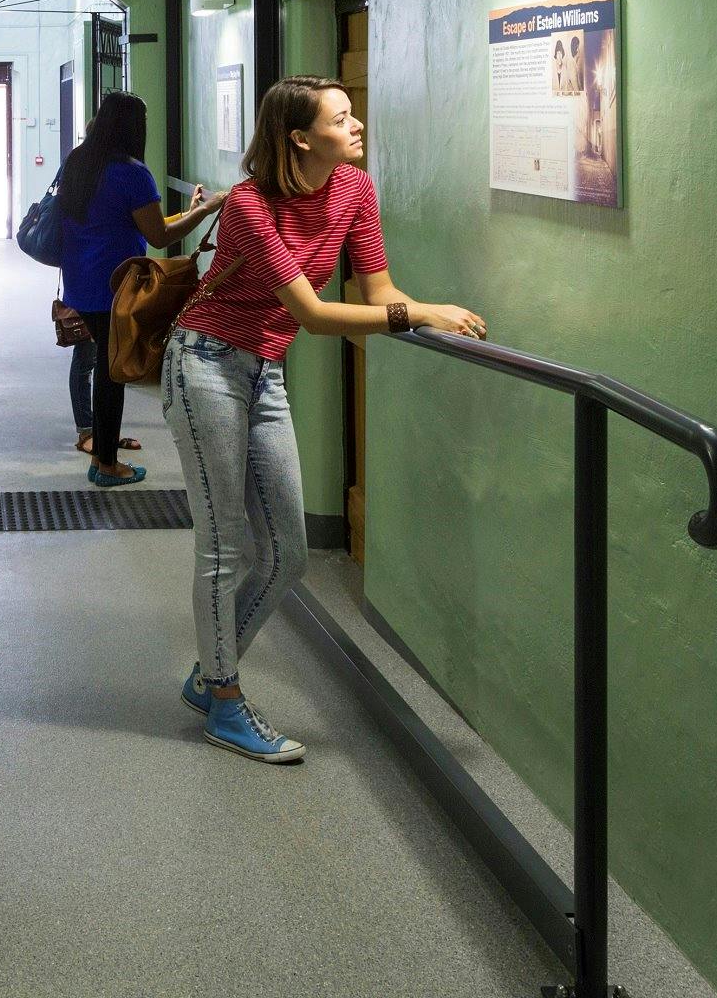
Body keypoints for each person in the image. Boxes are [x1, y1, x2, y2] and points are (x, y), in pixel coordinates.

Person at [164, 76, 485, 764]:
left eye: (354, 113)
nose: (359, 123)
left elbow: (379, 291)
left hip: (265, 371)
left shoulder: (355, 190)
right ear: (300, 137)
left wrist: (423, 308)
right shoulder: (252, 205)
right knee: (227, 545)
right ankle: (224, 698)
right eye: (343, 117)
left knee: (288, 551)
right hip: (206, 365)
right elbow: (313, 314)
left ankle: (209, 671)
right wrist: (419, 315)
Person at [54, 92, 222, 485]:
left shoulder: (78, 162)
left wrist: (187, 210)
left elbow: (130, 220)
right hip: (117, 286)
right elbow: (159, 236)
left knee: (103, 369)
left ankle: (100, 455)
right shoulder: (131, 172)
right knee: (113, 375)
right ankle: (107, 466)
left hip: (81, 280)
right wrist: (204, 211)